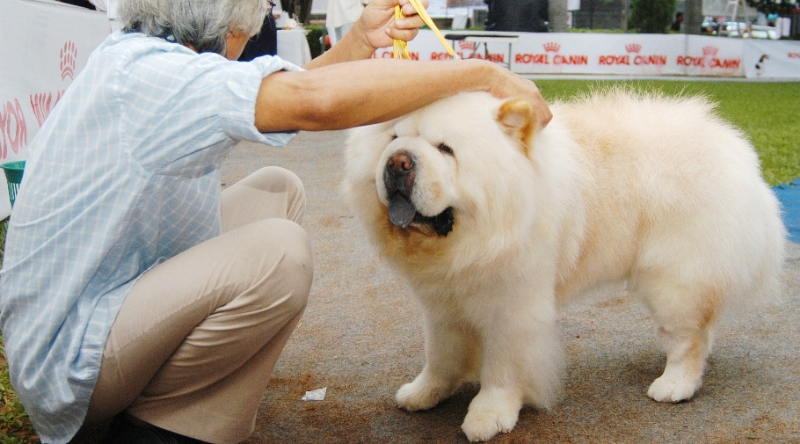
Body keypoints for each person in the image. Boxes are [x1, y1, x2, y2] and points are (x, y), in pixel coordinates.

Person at [0, 0, 552, 442]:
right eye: (257, 10)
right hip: (71, 366)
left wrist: (359, 42)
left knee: (276, 192)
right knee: (280, 253)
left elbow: (283, 93)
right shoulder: (155, 77)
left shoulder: (147, 63)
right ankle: (165, 427)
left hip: (96, 310)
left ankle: (181, 403)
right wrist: (482, 73)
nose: (262, 17)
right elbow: (309, 102)